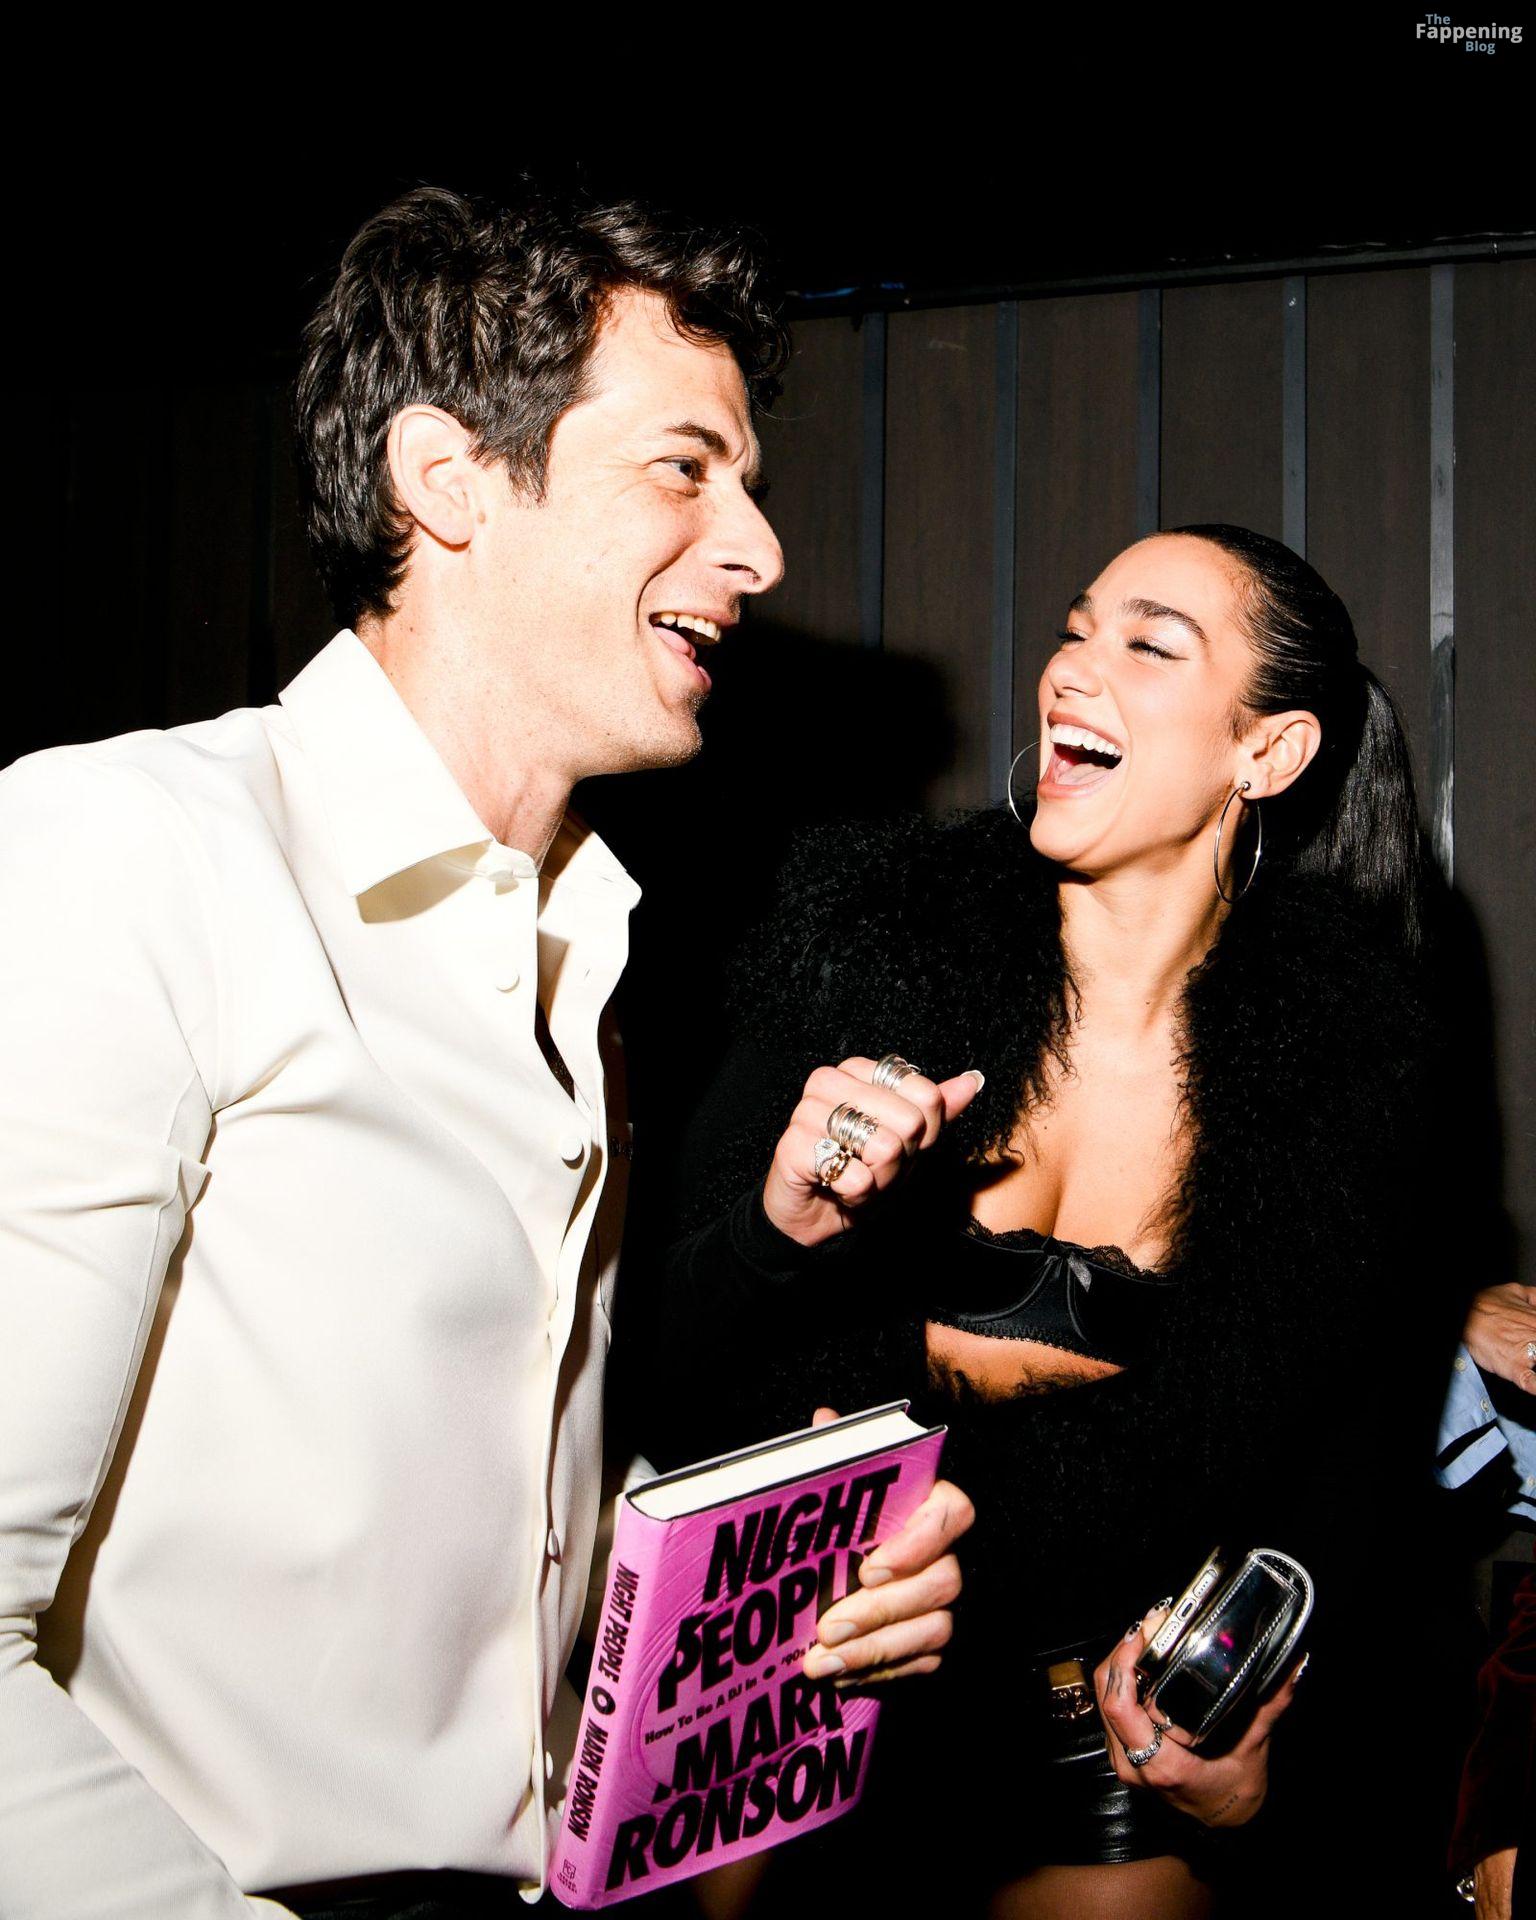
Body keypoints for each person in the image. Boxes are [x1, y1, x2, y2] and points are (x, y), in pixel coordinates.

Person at [0, 186, 970, 1920]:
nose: (760, 551)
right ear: (447, 482)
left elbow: (479, 1571)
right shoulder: (131, 851)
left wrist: (770, 1612)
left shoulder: (581, 947)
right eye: (685, 468)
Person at [638, 524, 1470, 1915]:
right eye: (1078, 629)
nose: (1074, 669)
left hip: (1094, 1727)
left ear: (1266, 754)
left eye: (1150, 646)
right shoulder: (873, 941)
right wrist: (779, 1232)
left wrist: (1250, 1735)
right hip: (800, 1679)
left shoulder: (1346, 1056)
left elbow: (1347, 1452)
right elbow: (635, 1355)